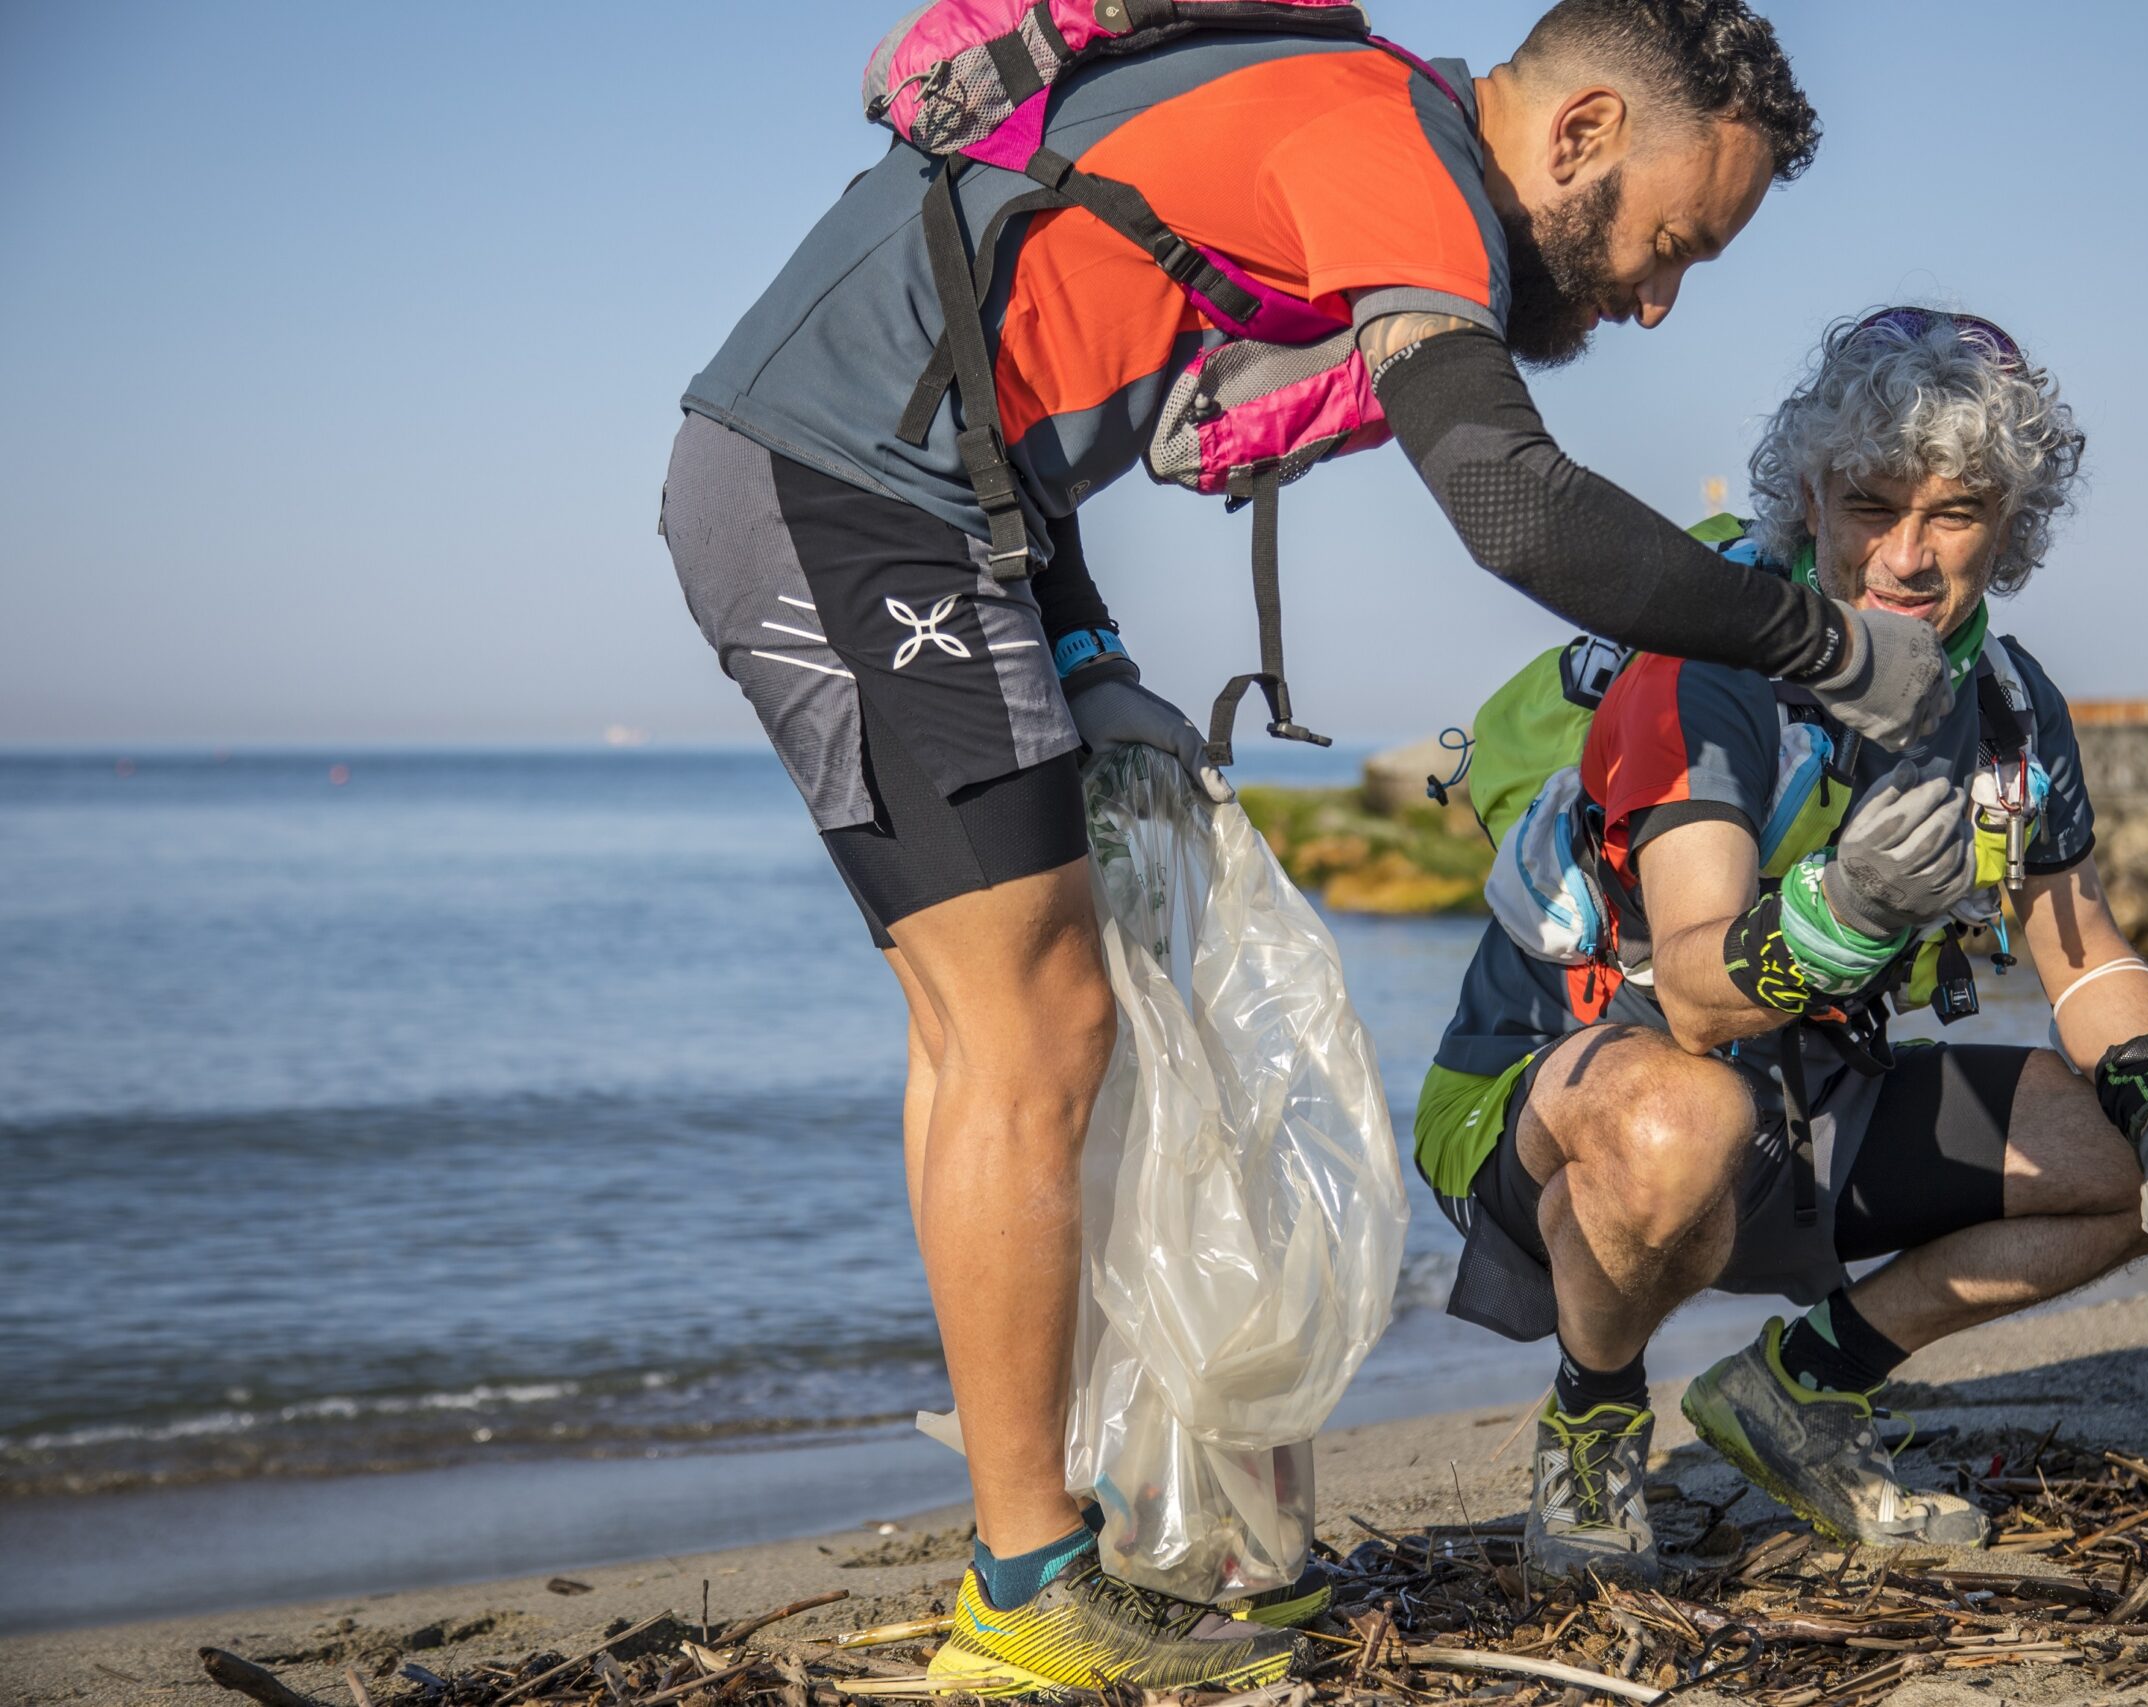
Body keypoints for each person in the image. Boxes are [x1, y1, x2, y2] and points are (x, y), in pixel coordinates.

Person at [659, 1, 1957, 1695]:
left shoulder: (1357, 123)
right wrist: (1824, 647)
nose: (1653, 299)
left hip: (915, 505)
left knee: (997, 1026)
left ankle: (1046, 1546)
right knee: (1032, 1026)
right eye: (1666, 243)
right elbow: (1514, 502)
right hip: (842, 492)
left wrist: (1087, 658)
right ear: (1573, 134)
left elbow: (1005, 350)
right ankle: (1026, 1582)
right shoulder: (1397, 151)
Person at [1412, 308, 2148, 1587]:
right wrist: (1839, 913)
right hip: (1561, 1099)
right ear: (1808, 496)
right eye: (1870, 503)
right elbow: (1694, 997)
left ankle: (1797, 1392)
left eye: (1956, 512)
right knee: (1673, 1115)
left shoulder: (2008, 705)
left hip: (1805, 1103)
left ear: (2010, 524)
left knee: (2115, 1155)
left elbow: (2085, 954)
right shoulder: (1708, 667)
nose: (1908, 557)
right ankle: (1593, 1418)